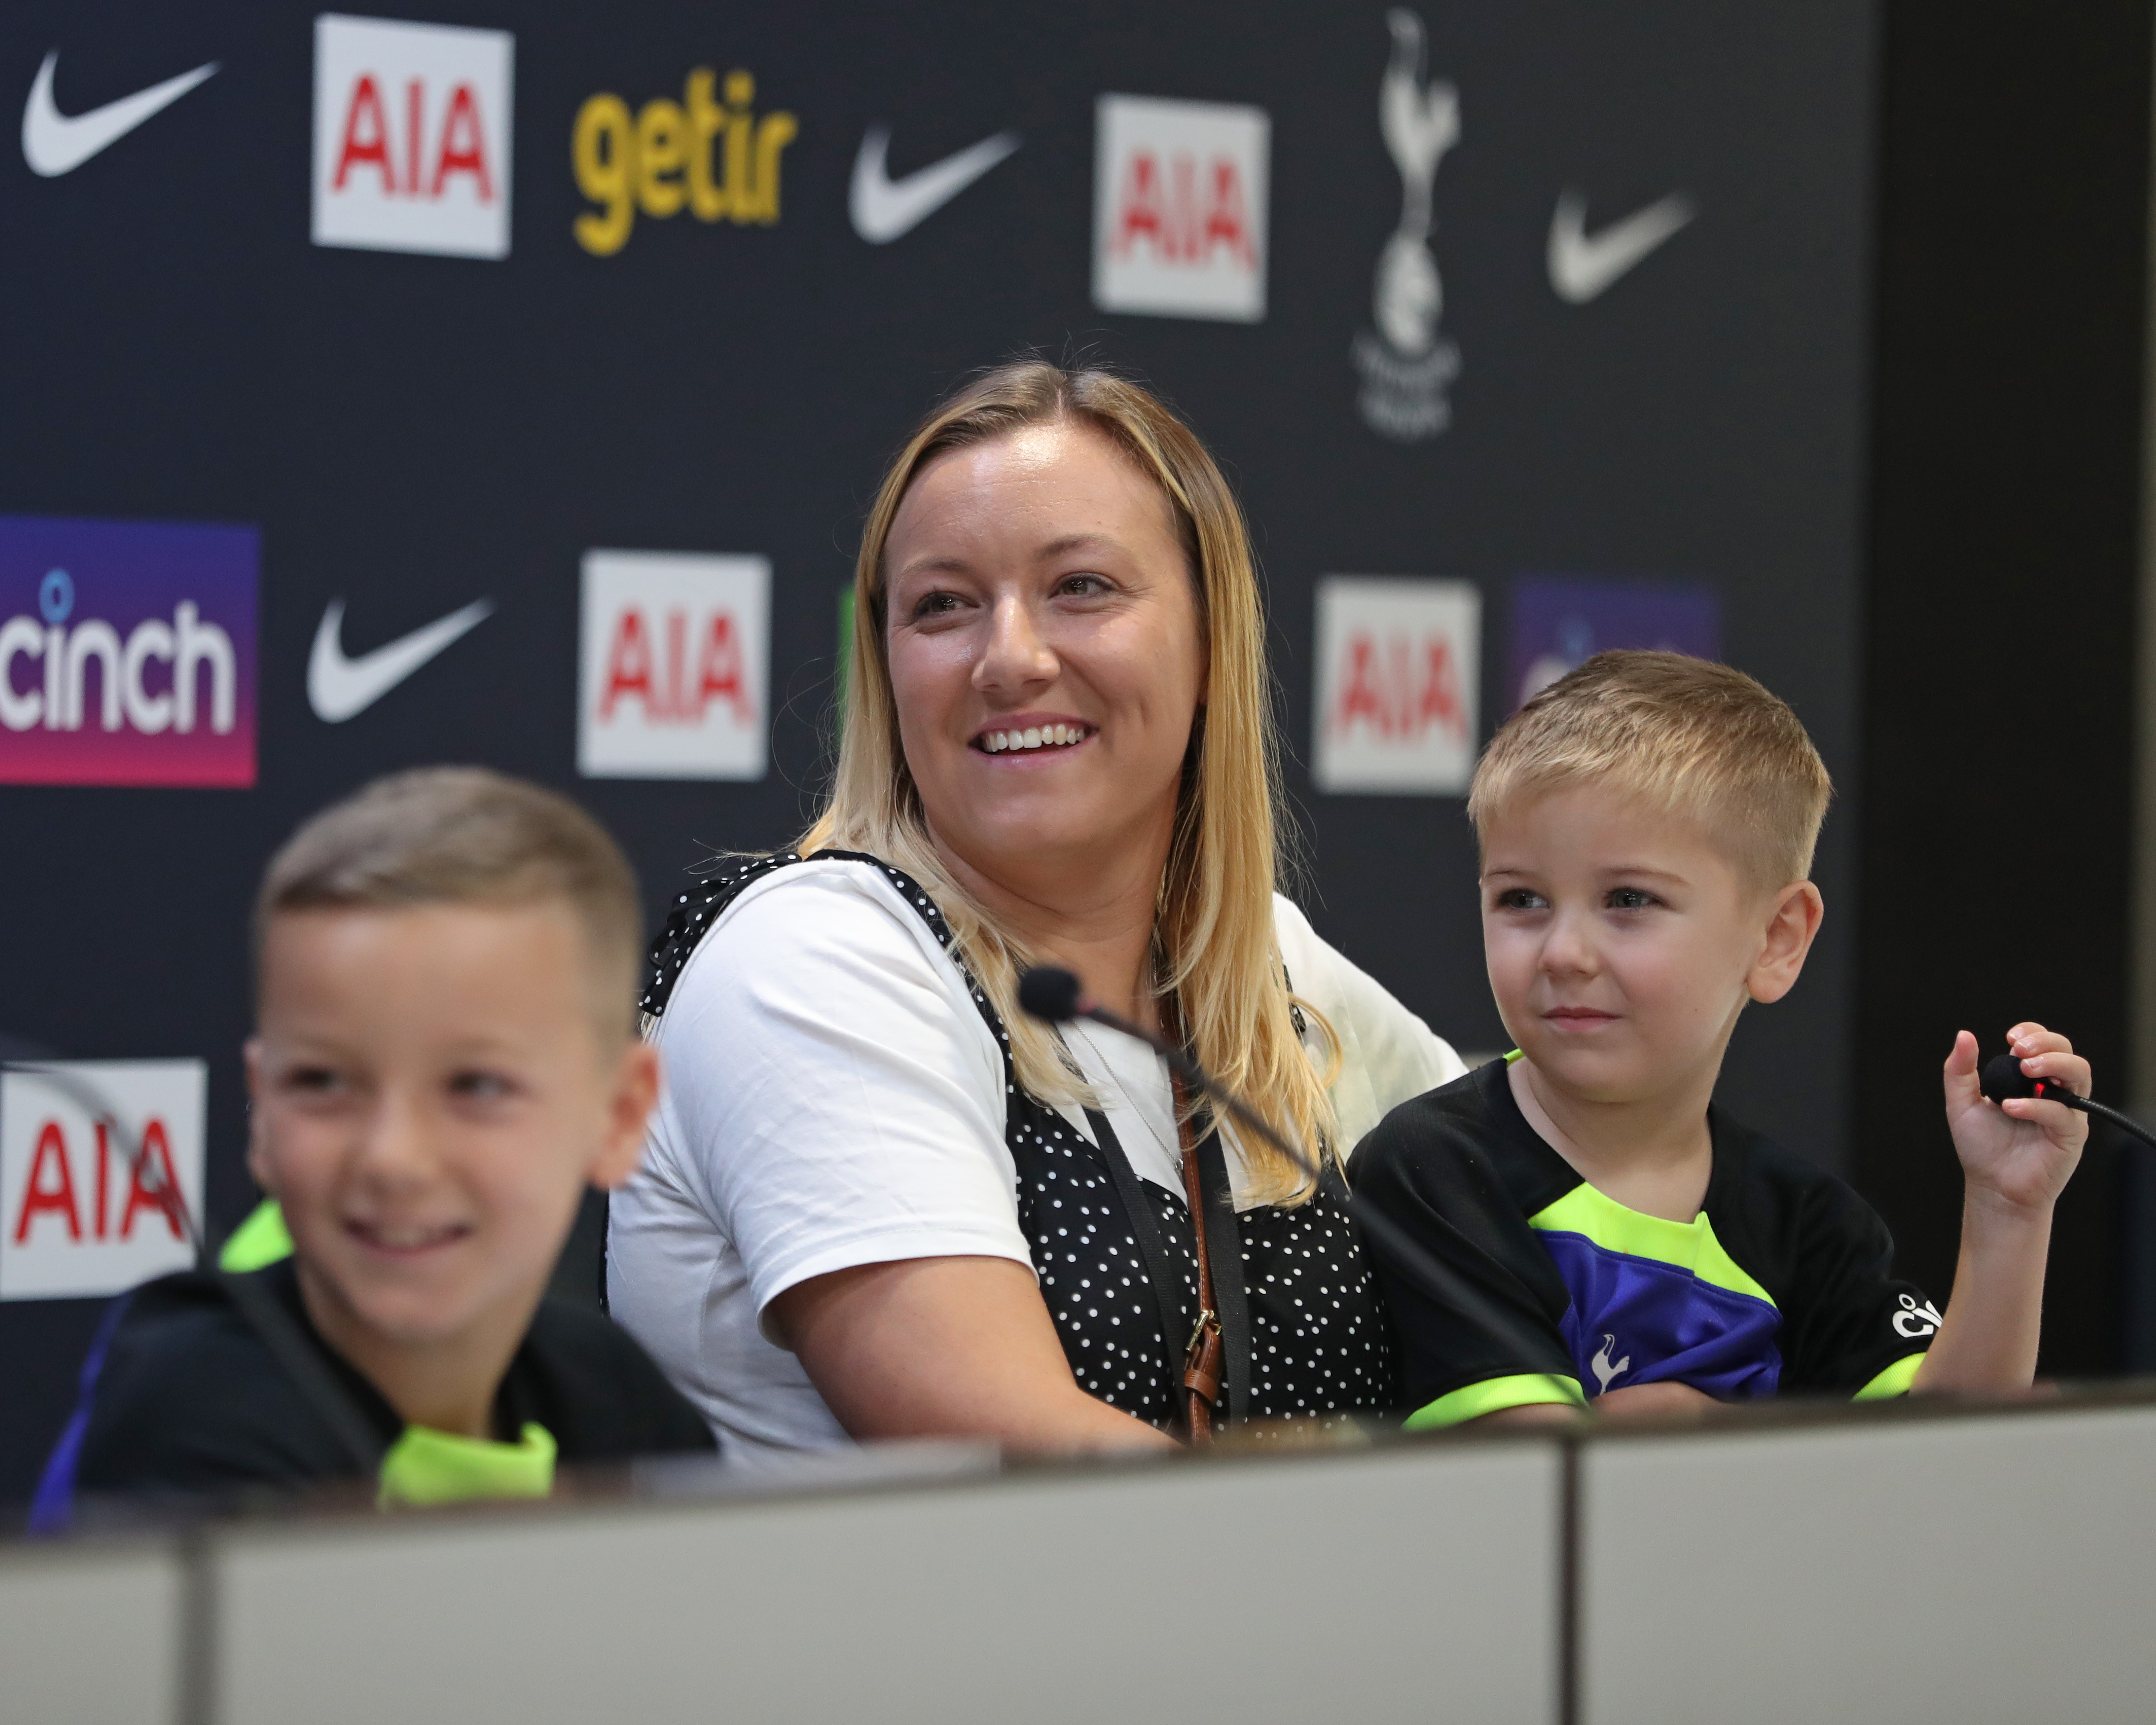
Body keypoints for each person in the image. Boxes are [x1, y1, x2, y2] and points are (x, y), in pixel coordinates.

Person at [608, 360, 1466, 1460]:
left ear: (1210, 643)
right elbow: (1017, 1462)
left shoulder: (1266, 968)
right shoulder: (815, 956)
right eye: (943, 606)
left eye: (1082, 588)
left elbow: (1547, 1194)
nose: (1010, 658)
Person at [1349, 651, 2087, 1427]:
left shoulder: (1807, 1223)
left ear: (1776, 938)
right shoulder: (1433, 1169)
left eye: (1627, 899)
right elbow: (1544, 1489)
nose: (1562, 952)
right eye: (1521, 899)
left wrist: (2008, 1213)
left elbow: (1947, 1459)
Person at [33, 768, 713, 1523]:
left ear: (619, 1117)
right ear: (260, 1111)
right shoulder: (197, 1405)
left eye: (476, 1088)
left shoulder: (612, 1392)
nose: (393, 1157)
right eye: (324, 1083)